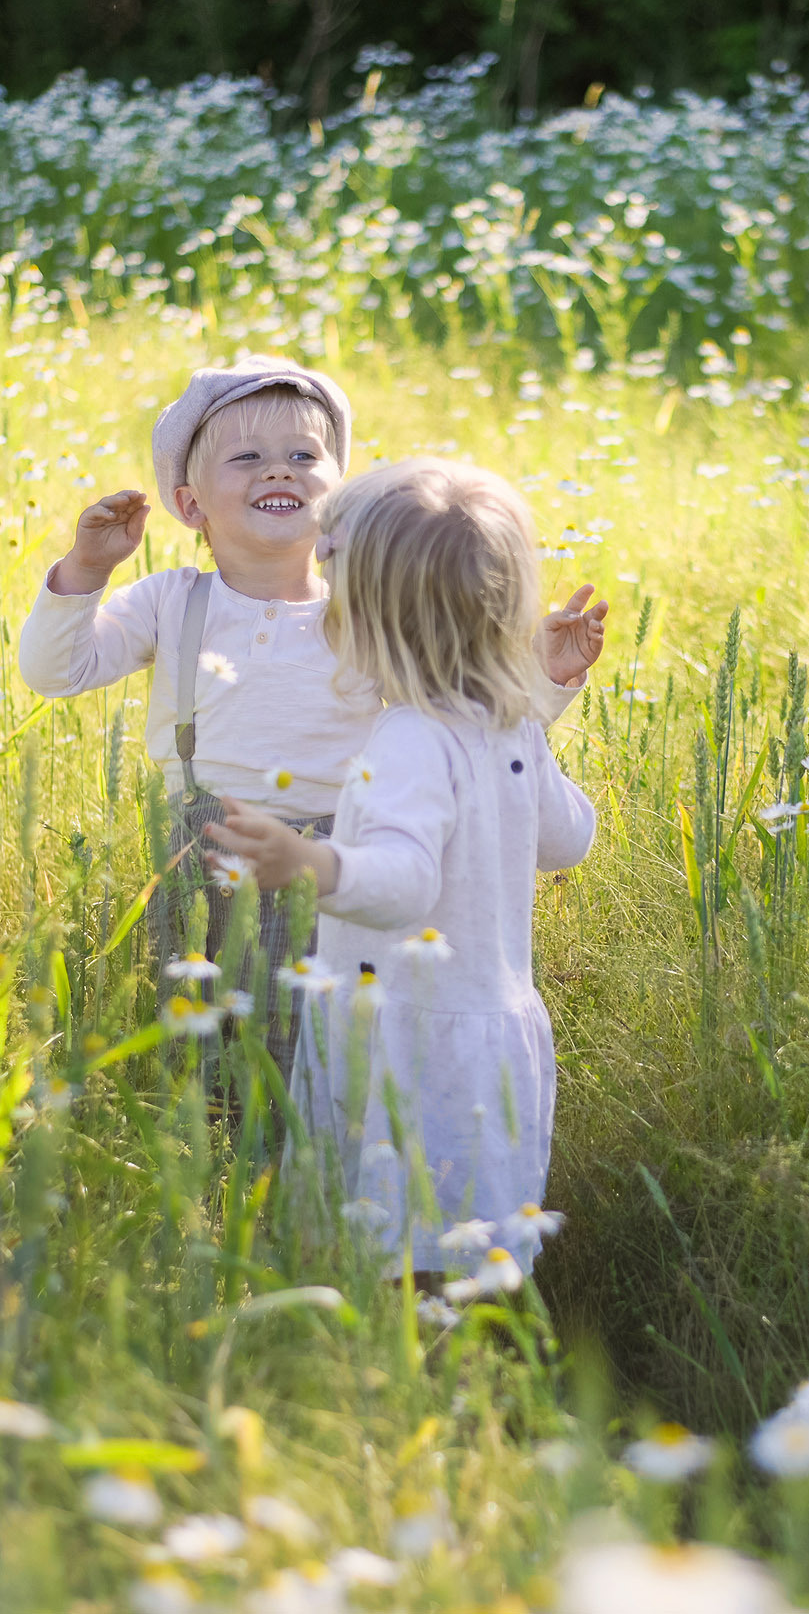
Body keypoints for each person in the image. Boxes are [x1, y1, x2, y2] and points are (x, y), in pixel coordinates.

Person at [16, 358, 605, 1110]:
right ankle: (230, 1183)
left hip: (346, 857)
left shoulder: (363, 612)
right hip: (212, 855)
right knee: (215, 1056)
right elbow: (55, 670)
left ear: (339, 495)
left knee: (328, 1055)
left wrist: (543, 684)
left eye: (303, 455)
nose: (278, 471)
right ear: (190, 503)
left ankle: (325, 1171)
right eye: (247, 457)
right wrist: (85, 570)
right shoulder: (173, 601)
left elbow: (464, 726)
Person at [209, 458, 597, 1287]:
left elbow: (407, 881)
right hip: (491, 1038)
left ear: (370, 621)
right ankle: (473, 1392)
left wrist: (313, 860)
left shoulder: (409, 738)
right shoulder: (507, 723)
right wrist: (546, 694)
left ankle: (388, 1386)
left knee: (389, 1251)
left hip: (409, 1044)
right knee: (470, 1255)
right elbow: (567, 837)